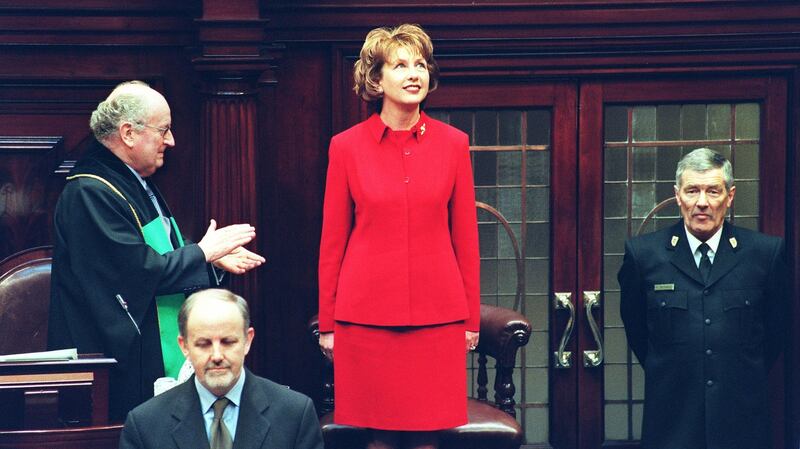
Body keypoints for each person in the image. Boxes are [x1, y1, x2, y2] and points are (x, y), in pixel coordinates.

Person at [48, 80, 265, 421]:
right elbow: (136, 272)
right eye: (163, 129)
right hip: (112, 369)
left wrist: (208, 259)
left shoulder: (132, 182)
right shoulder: (90, 191)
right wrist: (202, 253)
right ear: (129, 133)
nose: (171, 140)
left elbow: (157, 255)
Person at [317, 24, 480, 449]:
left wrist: (470, 318)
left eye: (421, 65)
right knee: (380, 440)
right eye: (400, 65)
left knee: (428, 438)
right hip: (366, 321)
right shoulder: (346, 147)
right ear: (376, 79)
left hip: (438, 319)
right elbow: (333, 241)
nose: (414, 74)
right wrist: (329, 323)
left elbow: (466, 238)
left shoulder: (454, 145)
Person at [618, 147, 787, 449]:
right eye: (692, 190)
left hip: (742, 419)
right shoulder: (644, 255)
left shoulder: (765, 254)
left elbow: (776, 332)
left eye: (713, 191)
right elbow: (638, 333)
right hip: (672, 418)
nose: (702, 203)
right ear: (678, 195)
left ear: (730, 196)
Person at [119, 289, 323, 449]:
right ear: (184, 346)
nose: (217, 356)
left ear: (247, 341)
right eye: (204, 344)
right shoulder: (146, 424)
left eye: (227, 342)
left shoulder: (294, 415)